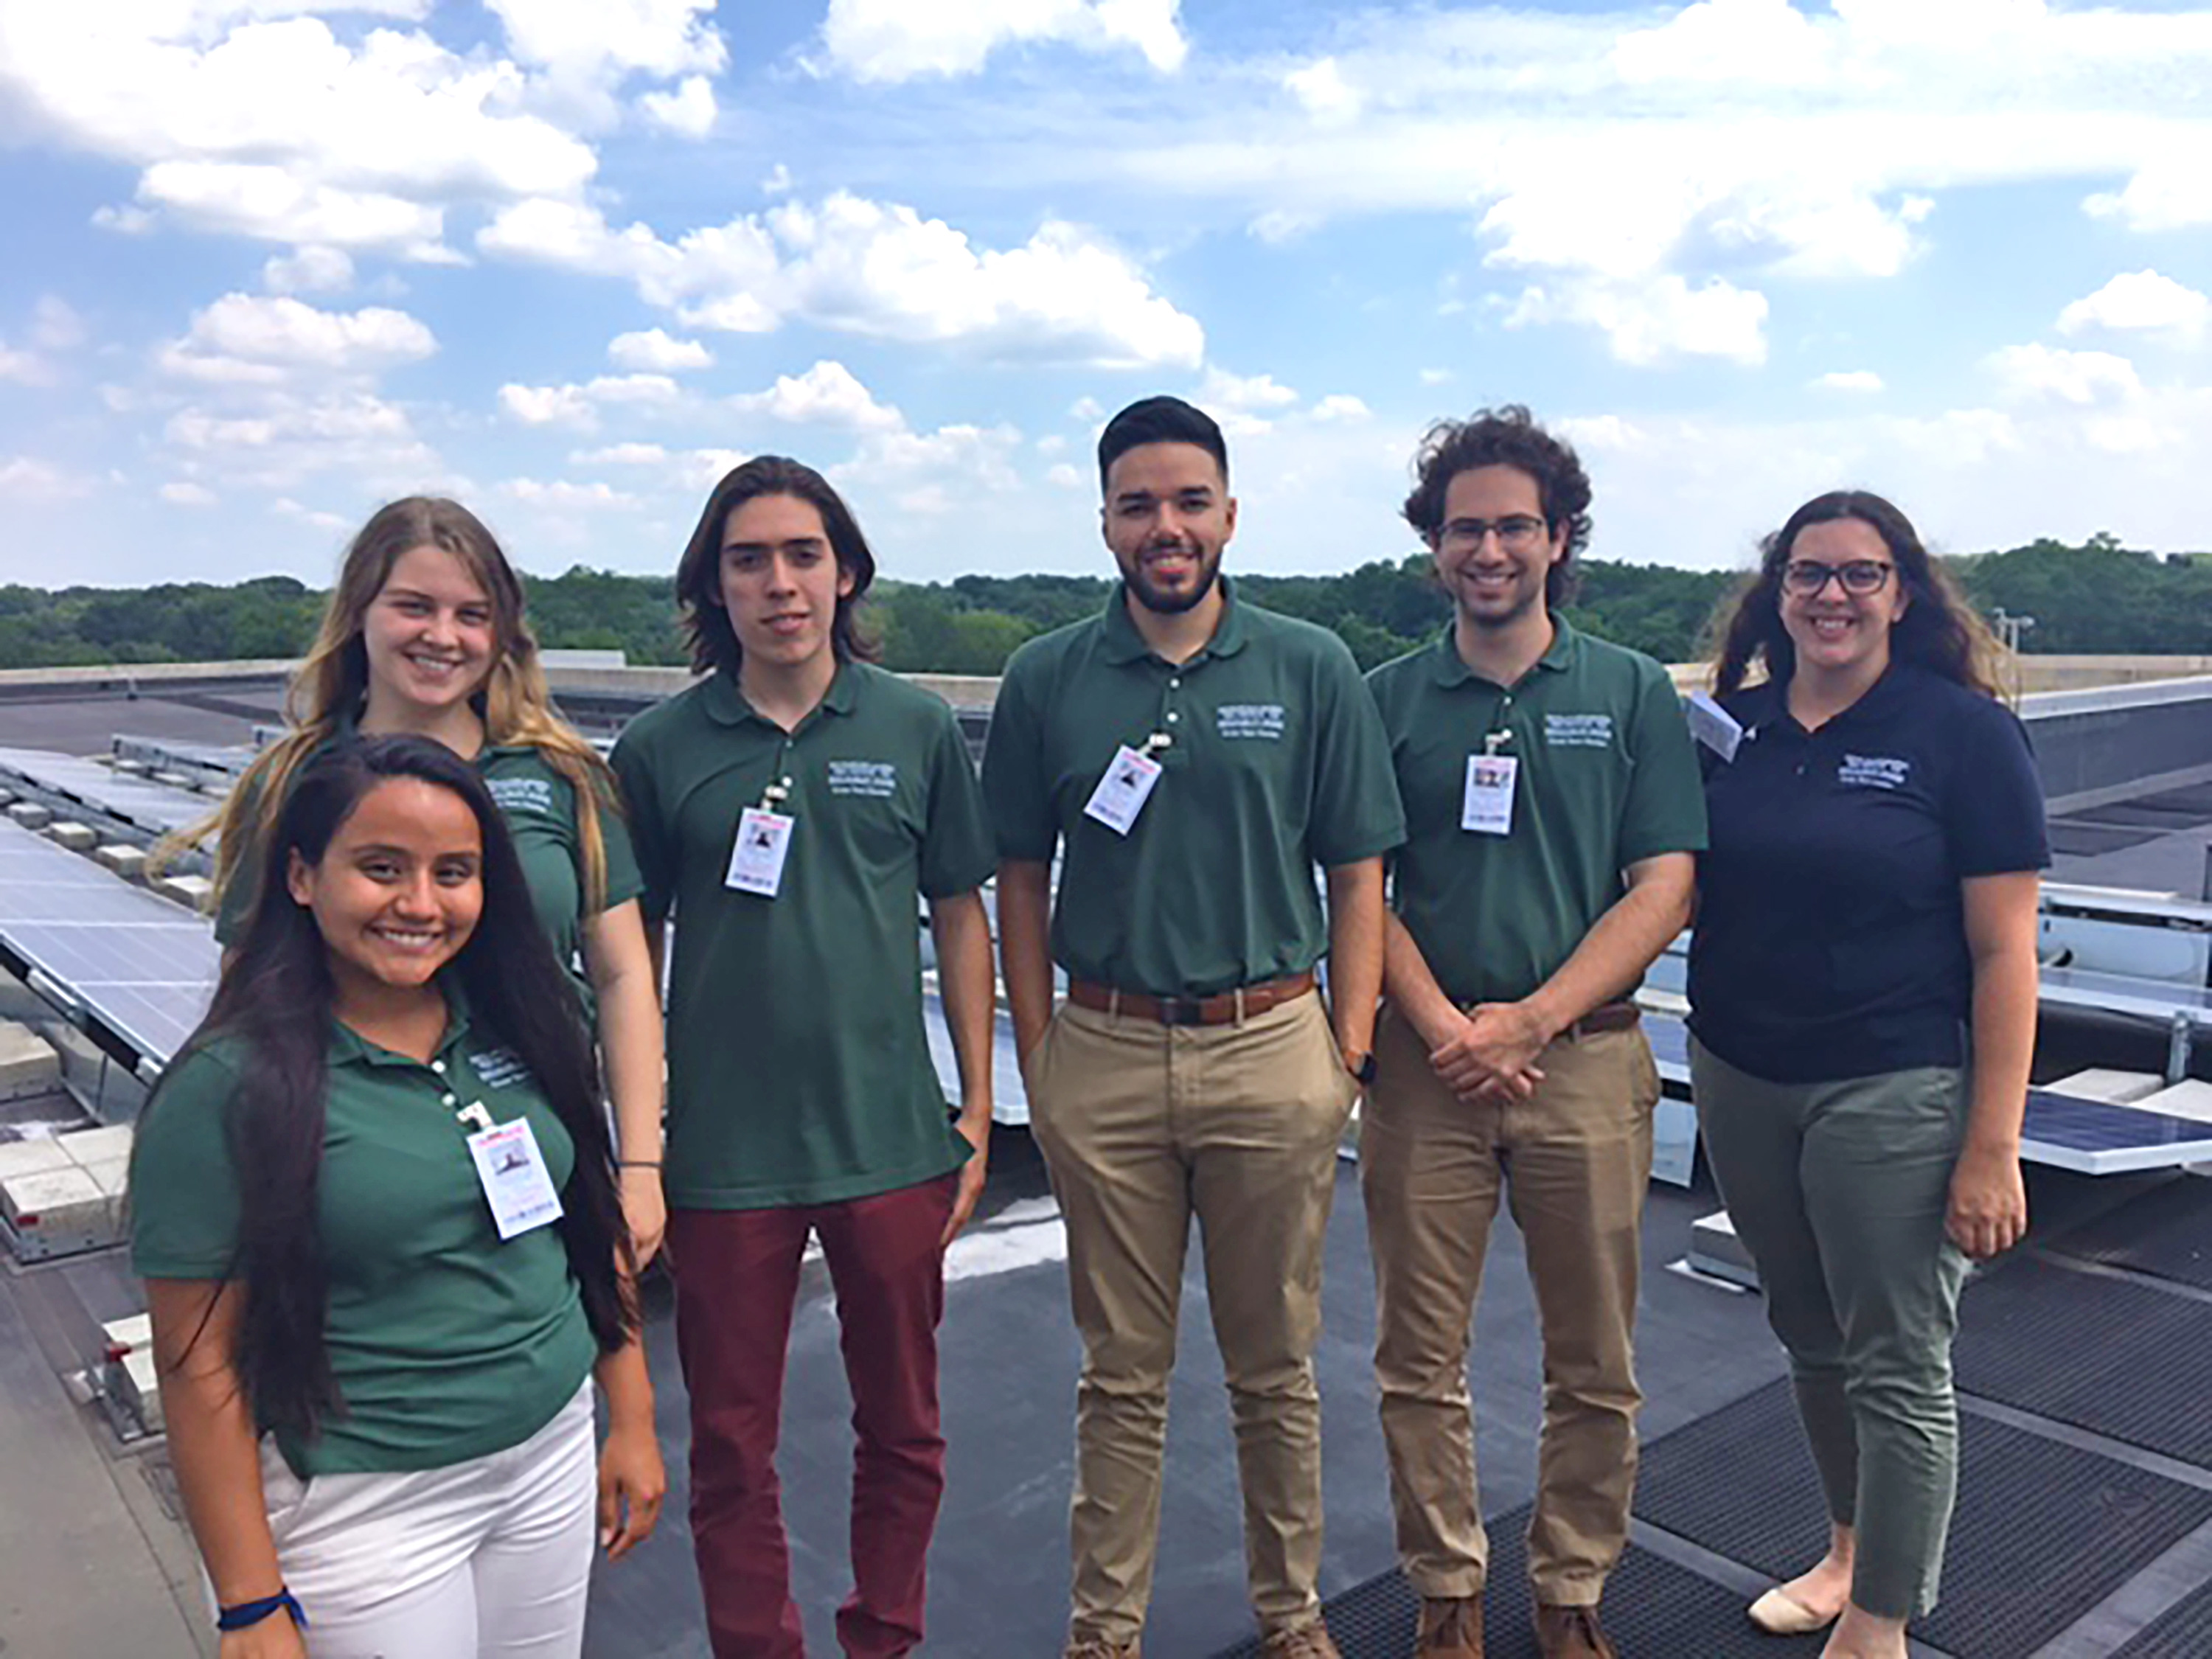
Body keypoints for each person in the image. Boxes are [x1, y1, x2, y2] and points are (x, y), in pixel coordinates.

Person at [981, 395, 1405, 1659]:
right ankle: (1103, 1633)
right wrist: (1041, 1051)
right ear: (1105, 521)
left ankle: (1293, 1619)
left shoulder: (1307, 665)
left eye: (1188, 501)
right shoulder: (1049, 677)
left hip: (1272, 1044)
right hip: (1101, 1052)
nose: (1165, 527)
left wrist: (1349, 1055)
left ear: (1229, 512)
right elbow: (1016, 872)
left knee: (1275, 1370)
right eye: (1137, 504)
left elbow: (1358, 870)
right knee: (1121, 1377)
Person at [131, 734, 664, 1659]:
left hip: (547, 1457)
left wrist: (635, 1419)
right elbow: (197, 1362)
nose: (421, 904)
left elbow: (585, 1232)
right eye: (382, 869)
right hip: (368, 1503)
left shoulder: (520, 1025)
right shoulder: (229, 1084)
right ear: (302, 876)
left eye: (454, 872)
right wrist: (250, 1602)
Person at [609, 456, 997, 1659]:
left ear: (845, 573)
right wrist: (643, 1134)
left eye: (803, 555)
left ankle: (883, 1635)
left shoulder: (914, 725)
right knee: (730, 1444)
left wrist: (978, 1106)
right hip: (725, 1159)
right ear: (711, 589)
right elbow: (629, 948)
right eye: (749, 559)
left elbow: (960, 915)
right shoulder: (663, 747)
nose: (780, 583)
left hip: (888, 1138)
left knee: (906, 1428)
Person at [1362, 408, 1705, 1659]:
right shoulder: (1384, 699)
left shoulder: (1624, 693)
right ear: (1434, 547)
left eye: (1515, 526)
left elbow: (1664, 882)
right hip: (1425, 1069)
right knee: (1415, 1355)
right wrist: (1453, 1026)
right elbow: (1360, 887)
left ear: (1559, 539)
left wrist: (1534, 1019)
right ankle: (1446, 1591)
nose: (1490, 548)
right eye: (1466, 529)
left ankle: (1570, 1594)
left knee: (1596, 1359)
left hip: (1588, 1062)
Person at [1687, 492, 2045, 1659]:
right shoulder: (1729, 729)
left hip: (1890, 1085)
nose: (1831, 596)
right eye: (1808, 574)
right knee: (1807, 1330)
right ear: (1775, 591)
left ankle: (1881, 1622)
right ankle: (1847, 1550)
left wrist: (1992, 1144)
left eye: (1860, 574)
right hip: (1744, 1073)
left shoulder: (1961, 732)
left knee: (1896, 1356)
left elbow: (2004, 951)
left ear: (1901, 592)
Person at [189, 497, 669, 1263]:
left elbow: (621, 974)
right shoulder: (293, 784)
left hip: (547, 1141)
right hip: (358, 1173)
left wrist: (639, 1163)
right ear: (360, 614)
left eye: (471, 614)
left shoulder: (562, 778)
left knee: (558, 1363)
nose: (443, 636)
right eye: (414, 607)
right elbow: (248, 983)